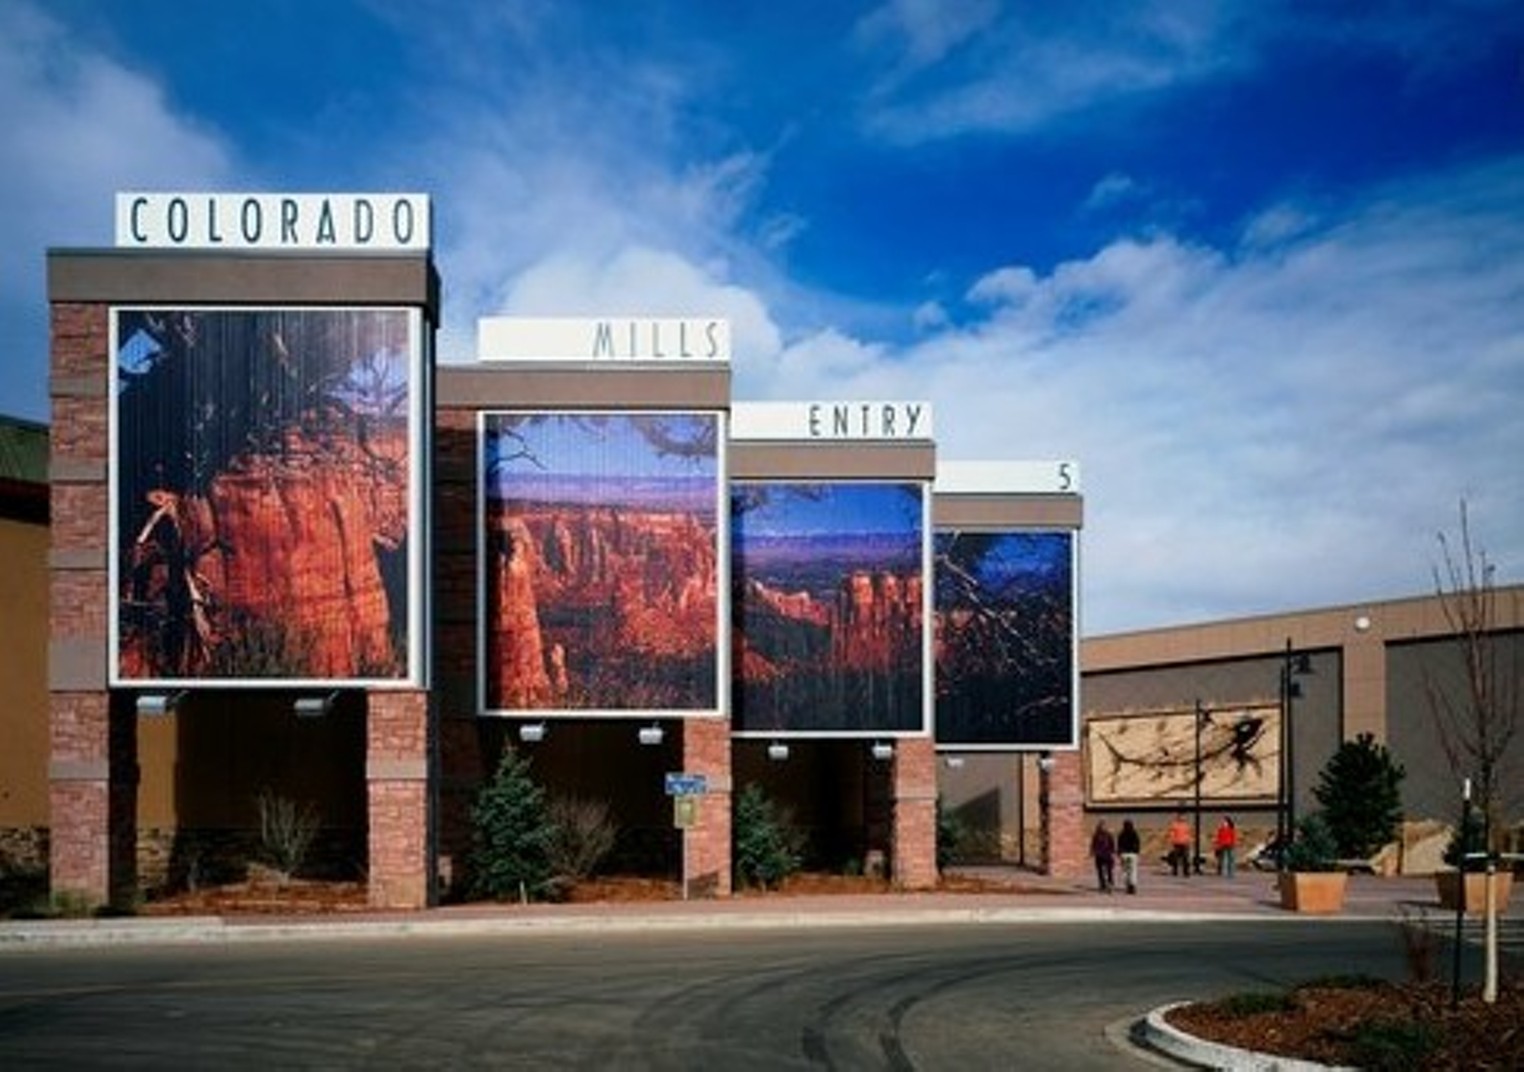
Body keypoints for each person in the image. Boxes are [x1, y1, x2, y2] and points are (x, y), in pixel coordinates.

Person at [1090, 820, 1116, 893]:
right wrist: (1093, 852)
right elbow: (1093, 844)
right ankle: (1102, 885)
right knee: (1100, 871)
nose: (1102, 828)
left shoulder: (1108, 835)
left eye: (1103, 826)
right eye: (1101, 826)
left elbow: (1112, 844)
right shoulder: (1096, 835)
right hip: (1099, 855)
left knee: (1109, 871)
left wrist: (1112, 852)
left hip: (1107, 855)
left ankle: (1110, 884)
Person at [1117, 818, 1142, 894]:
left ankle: (1128, 885)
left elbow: (1119, 844)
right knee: (1133, 870)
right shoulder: (1134, 833)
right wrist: (1137, 852)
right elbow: (1138, 843)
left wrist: (1119, 853)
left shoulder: (1121, 834)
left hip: (1124, 854)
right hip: (1132, 854)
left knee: (1125, 871)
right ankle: (1132, 885)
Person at [1167, 811, 1192, 876]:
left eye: (1184, 817)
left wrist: (1188, 841)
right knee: (1175, 858)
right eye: (1181, 817)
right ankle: (1175, 871)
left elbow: (1188, 834)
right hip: (1177, 843)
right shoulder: (1175, 825)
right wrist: (1172, 840)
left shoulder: (1186, 825)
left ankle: (1186, 872)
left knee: (1186, 858)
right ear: (1178, 817)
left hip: (1185, 843)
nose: (1183, 818)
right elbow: (1172, 833)